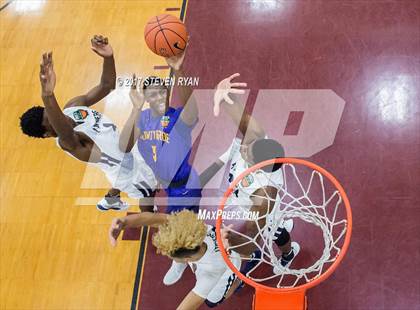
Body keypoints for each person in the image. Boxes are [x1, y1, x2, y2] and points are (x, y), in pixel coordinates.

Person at [19, 35, 156, 211]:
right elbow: (66, 131)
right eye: (52, 120)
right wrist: (47, 95)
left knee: (127, 158)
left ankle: (111, 199)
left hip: (125, 151)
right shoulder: (68, 142)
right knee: (148, 195)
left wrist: (108, 57)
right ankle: (154, 224)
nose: (58, 115)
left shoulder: (73, 106)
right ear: (47, 133)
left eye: (52, 112)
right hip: (127, 173)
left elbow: (106, 85)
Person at [119, 44, 202, 284]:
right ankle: (190, 251)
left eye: (161, 92)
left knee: (175, 229)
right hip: (167, 185)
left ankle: (183, 260)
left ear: (168, 93)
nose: (157, 97)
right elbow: (124, 146)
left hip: (186, 187)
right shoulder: (143, 118)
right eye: (151, 94)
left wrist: (179, 70)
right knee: (180, 224)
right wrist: (134, 109)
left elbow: (192, 109)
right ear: (145, 98)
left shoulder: (177, 117)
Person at [202, 73, 300, 271]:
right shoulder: (257, 140)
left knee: (274, 232)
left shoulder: (265, 195)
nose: (244, 146)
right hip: (243, 196)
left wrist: (229, 246)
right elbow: (242, 117)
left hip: (263, 211)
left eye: (248, 151)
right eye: (249, 145)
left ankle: (289, 252)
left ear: (259, 167)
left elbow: (252, 234)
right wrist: (223, 94)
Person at [109, 210, 242, 310]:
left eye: (170, 256)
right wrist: (124, 222)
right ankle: (178, 266)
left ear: (187, 258)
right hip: (210, 255)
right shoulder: (192, 229)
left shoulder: (211, 273)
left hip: (227, 270)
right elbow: (152, 218)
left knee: (212, 301)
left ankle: (238, 282)